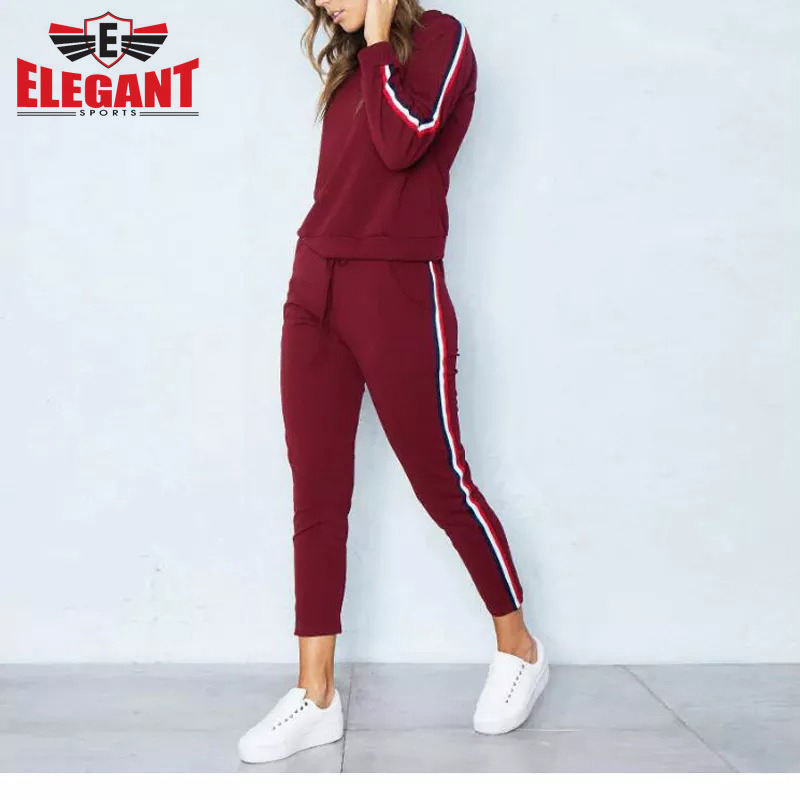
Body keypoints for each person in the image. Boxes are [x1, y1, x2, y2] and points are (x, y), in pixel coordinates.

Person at [238, 0, 549, 764]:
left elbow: (405, 140)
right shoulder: (352, 65)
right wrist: (367, 47)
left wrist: (378, 39)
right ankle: (315, 695)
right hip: (315, 283)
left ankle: (519, 647)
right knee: (316, 493)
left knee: (442, 481)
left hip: (398, 291)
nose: (322, 5)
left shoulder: (442, 40)